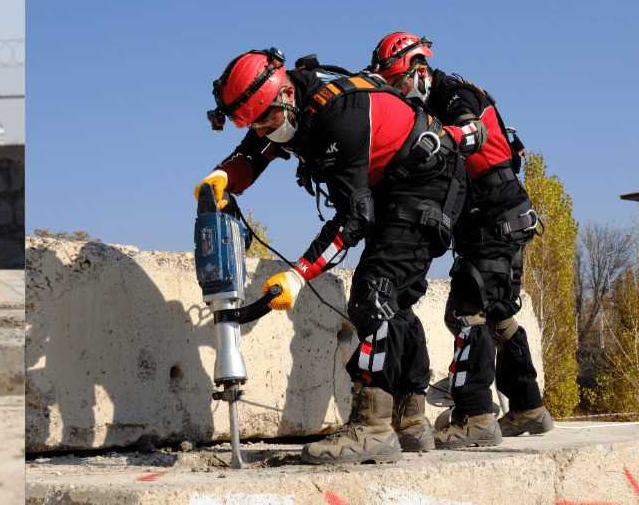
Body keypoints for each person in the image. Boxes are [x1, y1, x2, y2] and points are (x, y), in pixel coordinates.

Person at [196, 48, 471, 464]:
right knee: (396, 300)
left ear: (285, 94)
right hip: (393, 181)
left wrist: (299, 274)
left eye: (269, 120)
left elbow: (353, 219)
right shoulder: (288, 101)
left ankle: (372, 429)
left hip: (427, 182)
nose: (266, 131)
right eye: (255, 123)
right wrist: (225, 175)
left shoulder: (337, 116)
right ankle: (410, 421)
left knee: (374, 292)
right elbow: (255, 149)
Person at [365, 31, 549, 448]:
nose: (398, 92)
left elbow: (473, 132)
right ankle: (528, 407)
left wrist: (437, 141)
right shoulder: (441, 96)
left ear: (420, 69)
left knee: (467, 315)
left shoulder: (451, 93)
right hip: (500, 215)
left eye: (399, 82)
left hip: (494, 214)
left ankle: (476, 416)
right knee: (498, 312)